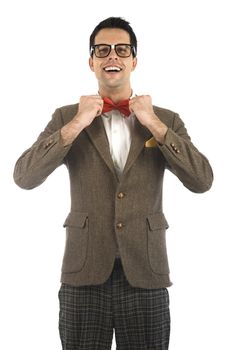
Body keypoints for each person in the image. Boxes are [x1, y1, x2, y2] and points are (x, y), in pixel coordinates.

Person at [13, 16, 213, 350]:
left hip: (145, 273)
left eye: (121, 49)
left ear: (134, 60)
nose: (112, 56)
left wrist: (154, 125)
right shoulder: (66, 117)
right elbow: (24, 176)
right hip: (84, 272)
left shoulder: (166, 119)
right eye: (102, 50)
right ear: (91, 61)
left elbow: (202, 179)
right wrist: (76, 123)